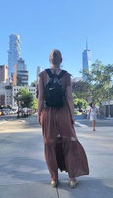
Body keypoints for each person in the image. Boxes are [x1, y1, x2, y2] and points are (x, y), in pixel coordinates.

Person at [37, 49, 89, 189]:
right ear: (61, 60)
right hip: (64, 113)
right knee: (68, 143)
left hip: (48, 112)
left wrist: (38, 113)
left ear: (50, 60)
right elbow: (70, 97)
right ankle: (72, 179)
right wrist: (72, 115)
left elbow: (41, 97)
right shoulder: (66, 76)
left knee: (49, 145)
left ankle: (54, 179)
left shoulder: (42, 75)